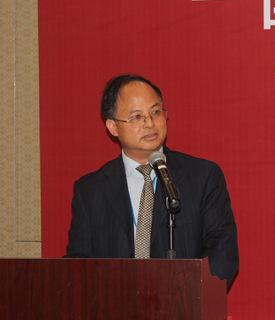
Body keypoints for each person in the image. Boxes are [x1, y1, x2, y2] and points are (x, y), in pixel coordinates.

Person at [65, 74, 239, 287]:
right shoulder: (90, 190)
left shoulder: (203, 177)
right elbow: (78, 263)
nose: (149, 123)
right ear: (112, 127)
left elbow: (223, 252)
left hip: (184, 302)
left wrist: (186, 299)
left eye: (155, 112)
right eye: (136, 116)